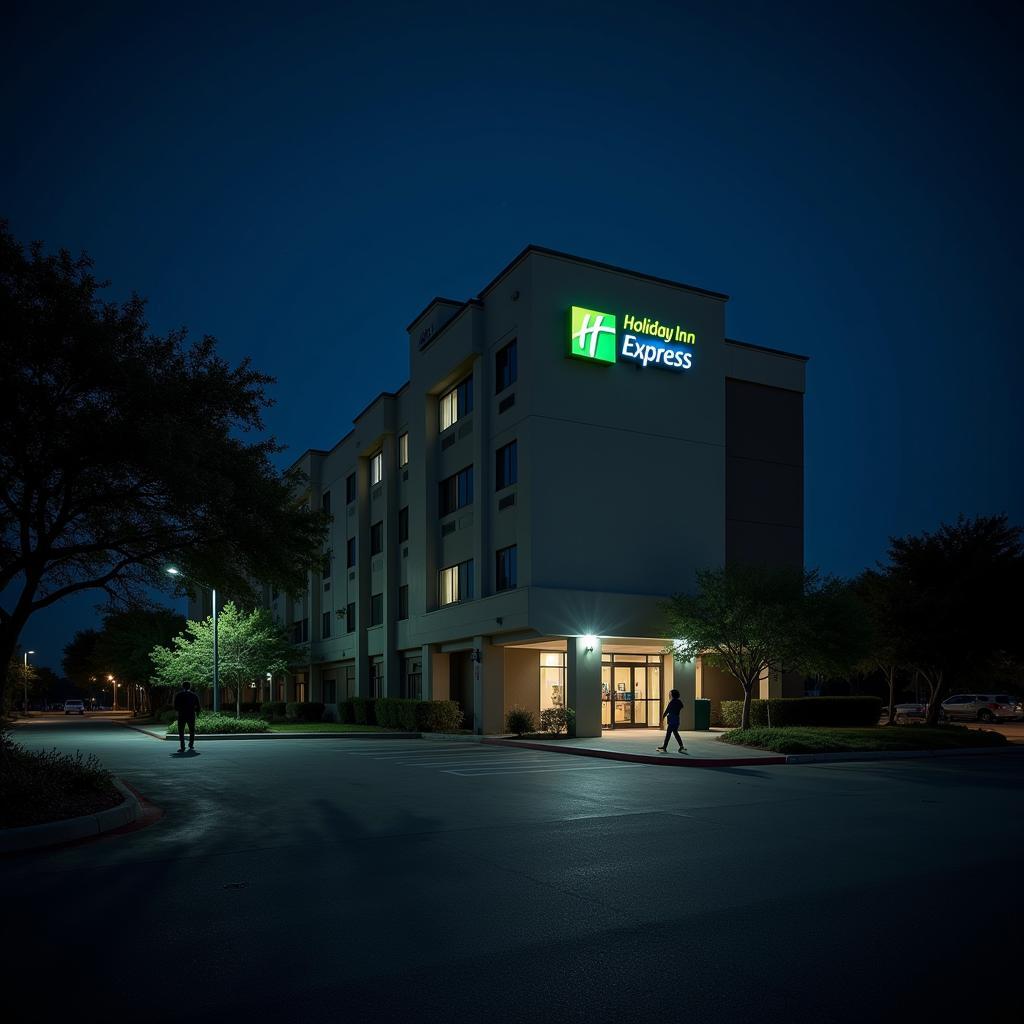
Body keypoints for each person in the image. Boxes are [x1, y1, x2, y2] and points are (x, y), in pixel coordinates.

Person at [173, 681, 201, 752]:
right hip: (191, 715)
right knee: (192, 730)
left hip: (182, 715)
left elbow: (175, 706)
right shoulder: (194, 695)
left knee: (181, 731)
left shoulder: (178, 695)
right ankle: (191, 745)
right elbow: (198, 706)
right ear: (190, 687)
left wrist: (179, 710)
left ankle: (182, 746)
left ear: (182, 686)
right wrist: (196, 712)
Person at [656, 689, 685, 753]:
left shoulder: (672, 702)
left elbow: (667, 711)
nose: (669, 695)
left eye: (670, 694)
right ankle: (681, 746)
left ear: (672, 695)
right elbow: (681, 707)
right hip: (676, 720)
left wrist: (662, 718)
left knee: (668, 734)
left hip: (672, 720)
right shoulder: (679, 702)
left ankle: (664, 747)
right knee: (675, 733)